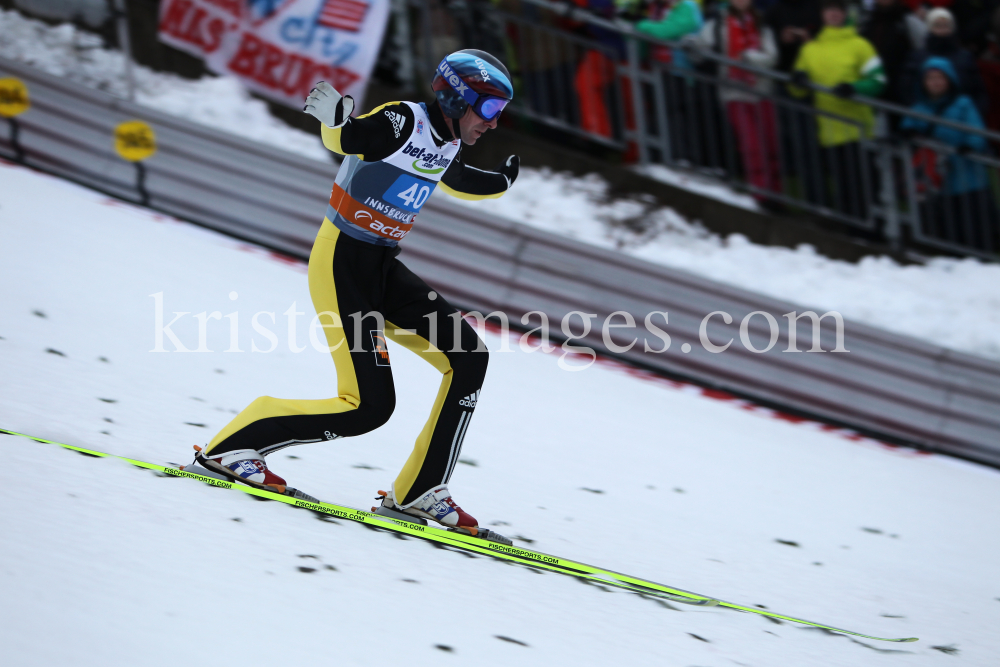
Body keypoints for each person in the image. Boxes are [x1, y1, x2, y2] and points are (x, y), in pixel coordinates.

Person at [190, 50, 520, 535]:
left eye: (500, 113)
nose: (493, 124)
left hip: (383, 270)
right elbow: (350, 139)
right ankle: (234, 447)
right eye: (488, 110)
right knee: (368, 407)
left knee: (469, 357)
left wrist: (501, 181)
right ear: (456, 97)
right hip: (342, 265)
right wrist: (334, 122)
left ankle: (420, 491)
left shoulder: (447, 141)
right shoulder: (402, 120)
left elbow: (460, 180)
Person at [790, 0, 886, 218]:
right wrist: (798, 80)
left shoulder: (861, 45)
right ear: (822, 14)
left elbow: (879, 80)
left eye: (837, 10)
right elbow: (798, 91)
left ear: (845, 14)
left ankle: (873, 235)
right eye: (829, 10)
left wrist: (855, 88)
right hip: (829, 132)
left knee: (865, 188)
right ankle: (852, 233)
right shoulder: (810, 49)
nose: (833, 14)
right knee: (843, 189)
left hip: (859, 131)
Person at [901, 56, 997, 248]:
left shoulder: (963, 103)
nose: (935, 83)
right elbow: (908, 128)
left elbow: (976, 130)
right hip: (938, 179)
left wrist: (970, 145)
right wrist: (907, 134)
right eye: (930, 79)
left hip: (968, 177)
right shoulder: (919, 108)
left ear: (949, 80)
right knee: (948, 224)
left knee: (974, 223)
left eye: (940, 78)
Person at [696, 0, 782, 196]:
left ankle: (776, 195)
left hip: (762, 92)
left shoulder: (761, 23)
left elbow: (772, 56)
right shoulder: (718, 24)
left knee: (770, 146)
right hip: (734, 92)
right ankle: (760, 193)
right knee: (751, 145)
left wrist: (749, 58)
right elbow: (699, 46)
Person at [900, 7, 989, 114]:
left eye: (946, 25)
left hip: (960, 118)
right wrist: (918, 110)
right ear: (929, 27)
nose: (942, 29)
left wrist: (971, 112)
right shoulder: (918, 56)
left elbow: (978, 90)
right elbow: (905, 88)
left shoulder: (964, 56)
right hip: (925, 117)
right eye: (937, 25)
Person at [860, 0, 928, 104]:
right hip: (871, 84)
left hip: (899, 88)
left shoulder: (907, 21)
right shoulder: (866, 20)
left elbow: (922, 50)